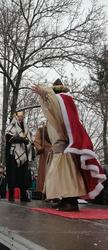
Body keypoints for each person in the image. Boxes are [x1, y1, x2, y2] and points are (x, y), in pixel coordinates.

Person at [32, 79, 106, 211]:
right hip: (59, 147)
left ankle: (71, 202)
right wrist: (45, 95)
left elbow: (54, 104)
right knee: (59, 176)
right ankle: (65, 200)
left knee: (67, 176)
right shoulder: (61, 104)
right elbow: (51, 107)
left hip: (64, 147)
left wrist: (45, 93)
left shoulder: (63, 101)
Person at [6, 111, 34, 202]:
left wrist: (30, 146)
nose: (20, 118)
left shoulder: (26, 128)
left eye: (22, 116)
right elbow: (8, 138)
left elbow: (30, 140)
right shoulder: (12, 126)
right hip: (14, 154)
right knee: (12, 175)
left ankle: (23, 195)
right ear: (16, 117)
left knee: (23, 175)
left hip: (24, 154)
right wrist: (21, 139)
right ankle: (11, 195)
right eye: (19, 116)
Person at [34, 123, 52, 194]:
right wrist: (40, 148)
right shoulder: (41, 130)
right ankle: (44, 192)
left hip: (57, 153)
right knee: (44, 172)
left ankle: (55, 192)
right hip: (45, 154)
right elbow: (36, 141)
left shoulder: (58, 129)